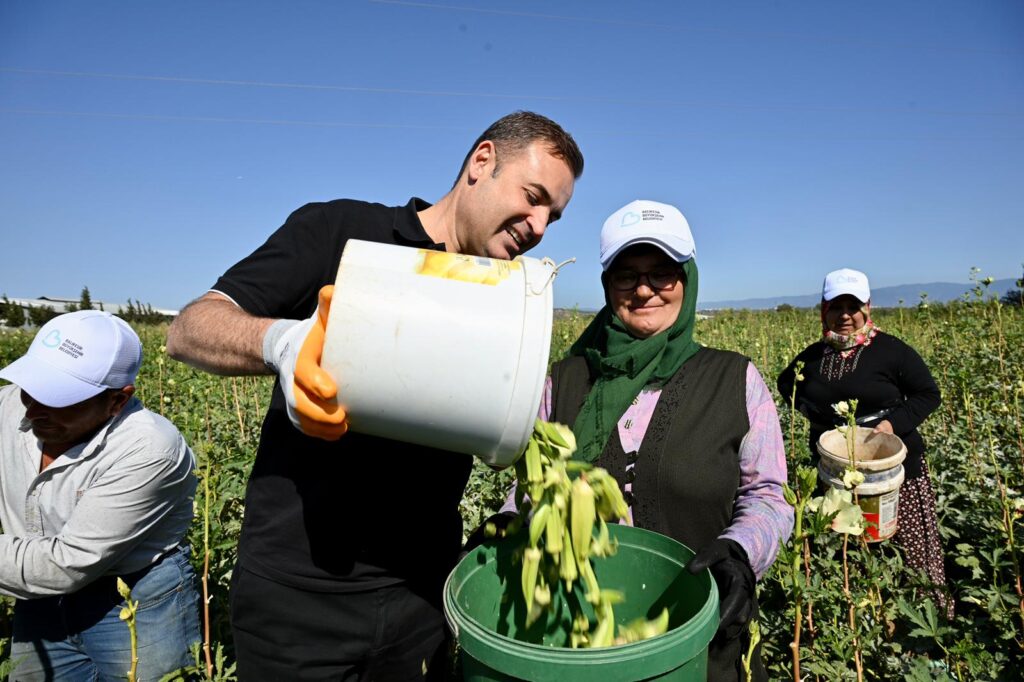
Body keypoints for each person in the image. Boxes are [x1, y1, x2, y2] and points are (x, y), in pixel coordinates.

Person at [165, 110, 583, 680]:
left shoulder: (506, 298)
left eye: (552, 216)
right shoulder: (342, 233)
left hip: (420, 599)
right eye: (533, 197)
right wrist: (282, 343)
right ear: (482, 162)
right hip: (297, 601)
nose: (538, 226)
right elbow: (190, 329)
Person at [488, 200, 793, 681]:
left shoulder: (734, 379)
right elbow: (535, 488)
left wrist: (739, 552)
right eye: (627, 275)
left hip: (698, 639)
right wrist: (504, 525)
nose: (645, 289)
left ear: (686, 280)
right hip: (577, 641)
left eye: (662, 273)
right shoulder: (565, 379)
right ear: (608, 285)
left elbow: (768, 496)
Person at [0, 310, 199, 681]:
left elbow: (66, 563)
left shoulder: (149, 448)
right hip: (32, 593)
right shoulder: (9, 405)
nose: (33, 407)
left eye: (58, 397)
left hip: (134, 600)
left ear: (117, 402)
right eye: (32, 386)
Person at [776, 268, 950, 615]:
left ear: (867, 307)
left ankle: (927, 622)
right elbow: (786, 385)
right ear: (823, 309)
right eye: (836, 306)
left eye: (853, 306)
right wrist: (818, 420)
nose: (845, 315)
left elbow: (928, 394)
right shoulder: (813, 356)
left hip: (895, 472)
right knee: (849, 554)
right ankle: (861, 624)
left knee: (910, 552)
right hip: (836, 475)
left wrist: (891, 425)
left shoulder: (891, 351)